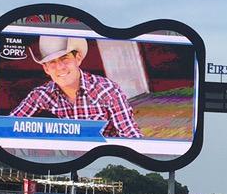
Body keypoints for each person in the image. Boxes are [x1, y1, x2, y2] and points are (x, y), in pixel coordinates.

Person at [10, 36, 142, 139]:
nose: (60, 67)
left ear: (78, 58)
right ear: (46, 68)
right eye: (52, 62)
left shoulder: (108, 91)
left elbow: (130, 135)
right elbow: (7, 127)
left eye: (64, 58)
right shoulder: (40, 95)